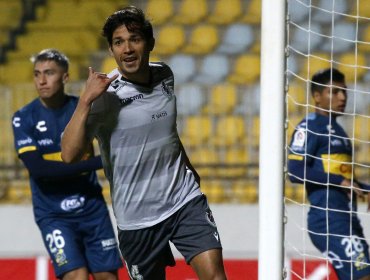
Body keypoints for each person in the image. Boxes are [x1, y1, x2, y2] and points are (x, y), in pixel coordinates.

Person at [61, 6, 227, 280]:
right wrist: (84, 101)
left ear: (150, 43)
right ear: (112, 50)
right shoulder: (104, 96)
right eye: (118, 42)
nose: (127, 48)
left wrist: (187, 165)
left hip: (183, 201)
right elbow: (68, 154)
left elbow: (167, 129)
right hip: (137, 219)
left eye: (134, 39)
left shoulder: (165, 75)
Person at [11, 49, 123, 280]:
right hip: (53, 214)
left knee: (107, 277)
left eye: (49, 73)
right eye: (37, 74)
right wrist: (99, 162)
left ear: (65, 77)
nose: (41, 80)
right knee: (76, 276)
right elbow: (39, 170)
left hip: (92, 208)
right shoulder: (23, 117)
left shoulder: (83, 110)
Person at [287, 68, 370, 280]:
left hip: (347, 217)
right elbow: (294, 170)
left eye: (344, 92)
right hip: (328, 219)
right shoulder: (310, 126)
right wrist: (340, 181)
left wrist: (364, 189)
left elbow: (344, 181)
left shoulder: (339, 131)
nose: (342, 97)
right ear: (317, 96)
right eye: (333, 92)